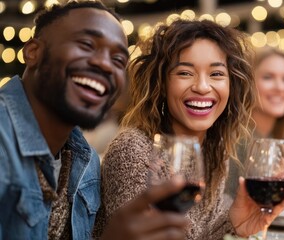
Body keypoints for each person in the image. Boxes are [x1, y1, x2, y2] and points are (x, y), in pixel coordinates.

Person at [0, 1, 188, 239]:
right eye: (87, 45)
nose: (104, 64)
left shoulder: (85, 162)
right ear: (33, 52)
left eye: (119, 60)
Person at [96, 19, 284, 239]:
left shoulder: (214, 153)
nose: (202, 87)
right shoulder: (134, 151)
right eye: (185, 73)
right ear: (162, 84)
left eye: (216, 74)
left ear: (231, 86)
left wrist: (234, 225)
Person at [225, 47, 284, 199]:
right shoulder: (235, 141)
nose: (279, 87)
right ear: (248, 83)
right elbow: (225, 205)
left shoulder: (280, 138)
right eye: (268, 77)